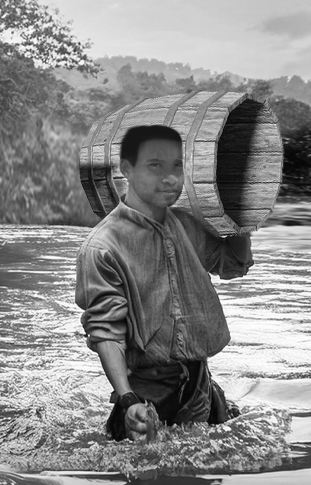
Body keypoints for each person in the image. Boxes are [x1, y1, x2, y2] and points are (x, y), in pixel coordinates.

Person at [75, 124, 253, 441]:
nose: (170, 178)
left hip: (199, 385)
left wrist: (243, 220)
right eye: (155, 166)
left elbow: (232, 264)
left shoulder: (187, 224)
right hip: (147, 393)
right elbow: (106, 331)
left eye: (177, 166)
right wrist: (127, 398)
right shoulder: (103, 247)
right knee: (143, 482)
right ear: (126, 169)